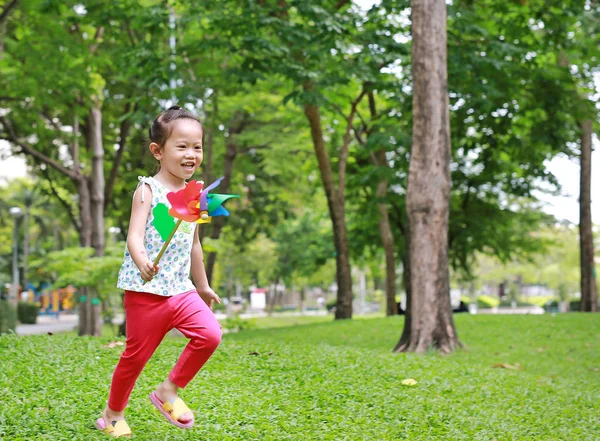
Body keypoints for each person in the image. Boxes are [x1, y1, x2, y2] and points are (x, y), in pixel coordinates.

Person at [96, 106, 222, 438]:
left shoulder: (195, 196)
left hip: (181, 290)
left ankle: (168, 391)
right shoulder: (147, 190)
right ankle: (112, 414)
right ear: (158, 150)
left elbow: (195, 244)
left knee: (210, 335)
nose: (191, 154)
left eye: (197, 147)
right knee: (134, 359)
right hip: (146, 292)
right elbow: (134, 236)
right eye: (181, 146)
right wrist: (142, 262)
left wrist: (204, 287)